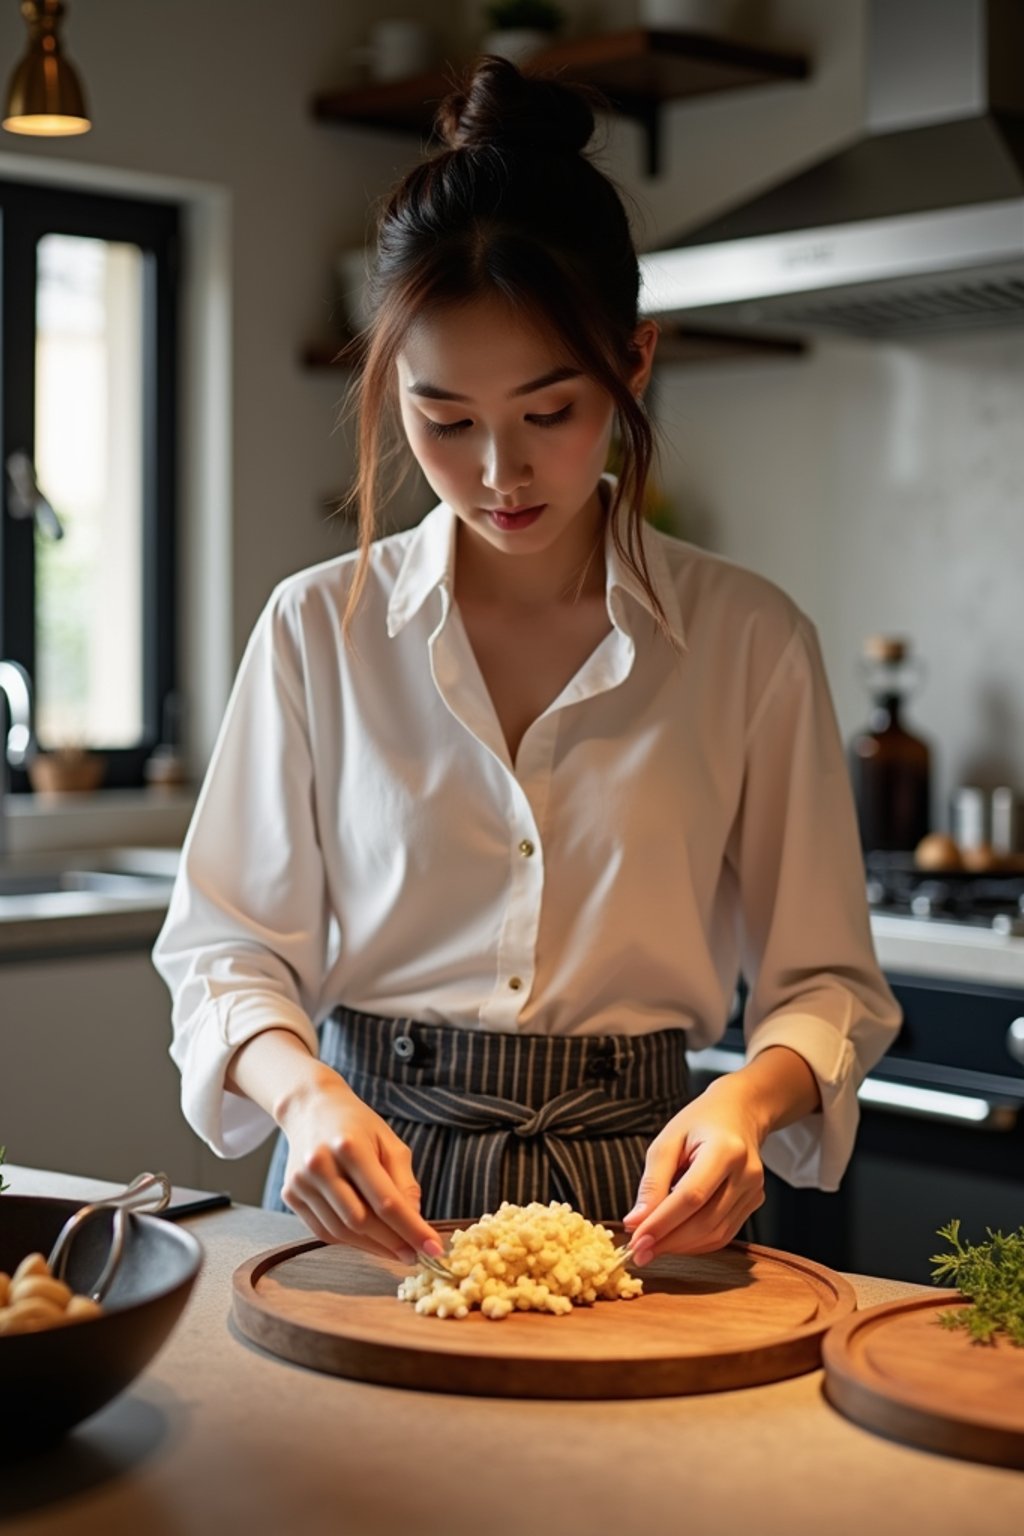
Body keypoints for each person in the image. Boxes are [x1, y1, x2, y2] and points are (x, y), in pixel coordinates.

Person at [153, 57, 901, 1271]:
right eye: (443, 420)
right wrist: (303, 1099)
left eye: (548, 413)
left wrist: (745, 1104)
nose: (498, 472)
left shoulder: (749, 640)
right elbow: (224, 950)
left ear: (633, 363)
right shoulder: (316, 628)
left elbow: (825, 983)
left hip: (647, 1198)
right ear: (391, 387)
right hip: (371, 1190)